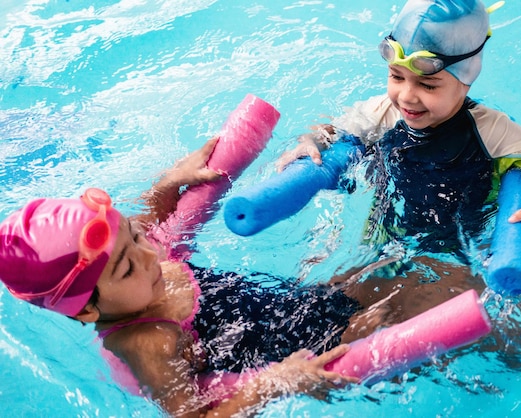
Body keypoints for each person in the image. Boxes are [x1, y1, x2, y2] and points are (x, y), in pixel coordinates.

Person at [0, 137, 473, 417]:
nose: (147, 255)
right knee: (429, 308)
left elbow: (152, 224)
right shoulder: (146, 343)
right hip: (301, 355)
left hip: (303, 304)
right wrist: (277, 384)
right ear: (86, 309)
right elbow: (195, 416)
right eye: (126, 265)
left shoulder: (142, 261)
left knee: (415, 270)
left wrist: (170, 184)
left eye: (133, 239)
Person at [276, 0, 521, 265]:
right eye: (396, 77)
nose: (407, 97)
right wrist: (309, 142)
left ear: (466, 79)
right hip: (384, 242)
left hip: (455, 253)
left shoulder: (491, 130)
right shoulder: (384, 111)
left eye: (427, 85)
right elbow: (328, 129)